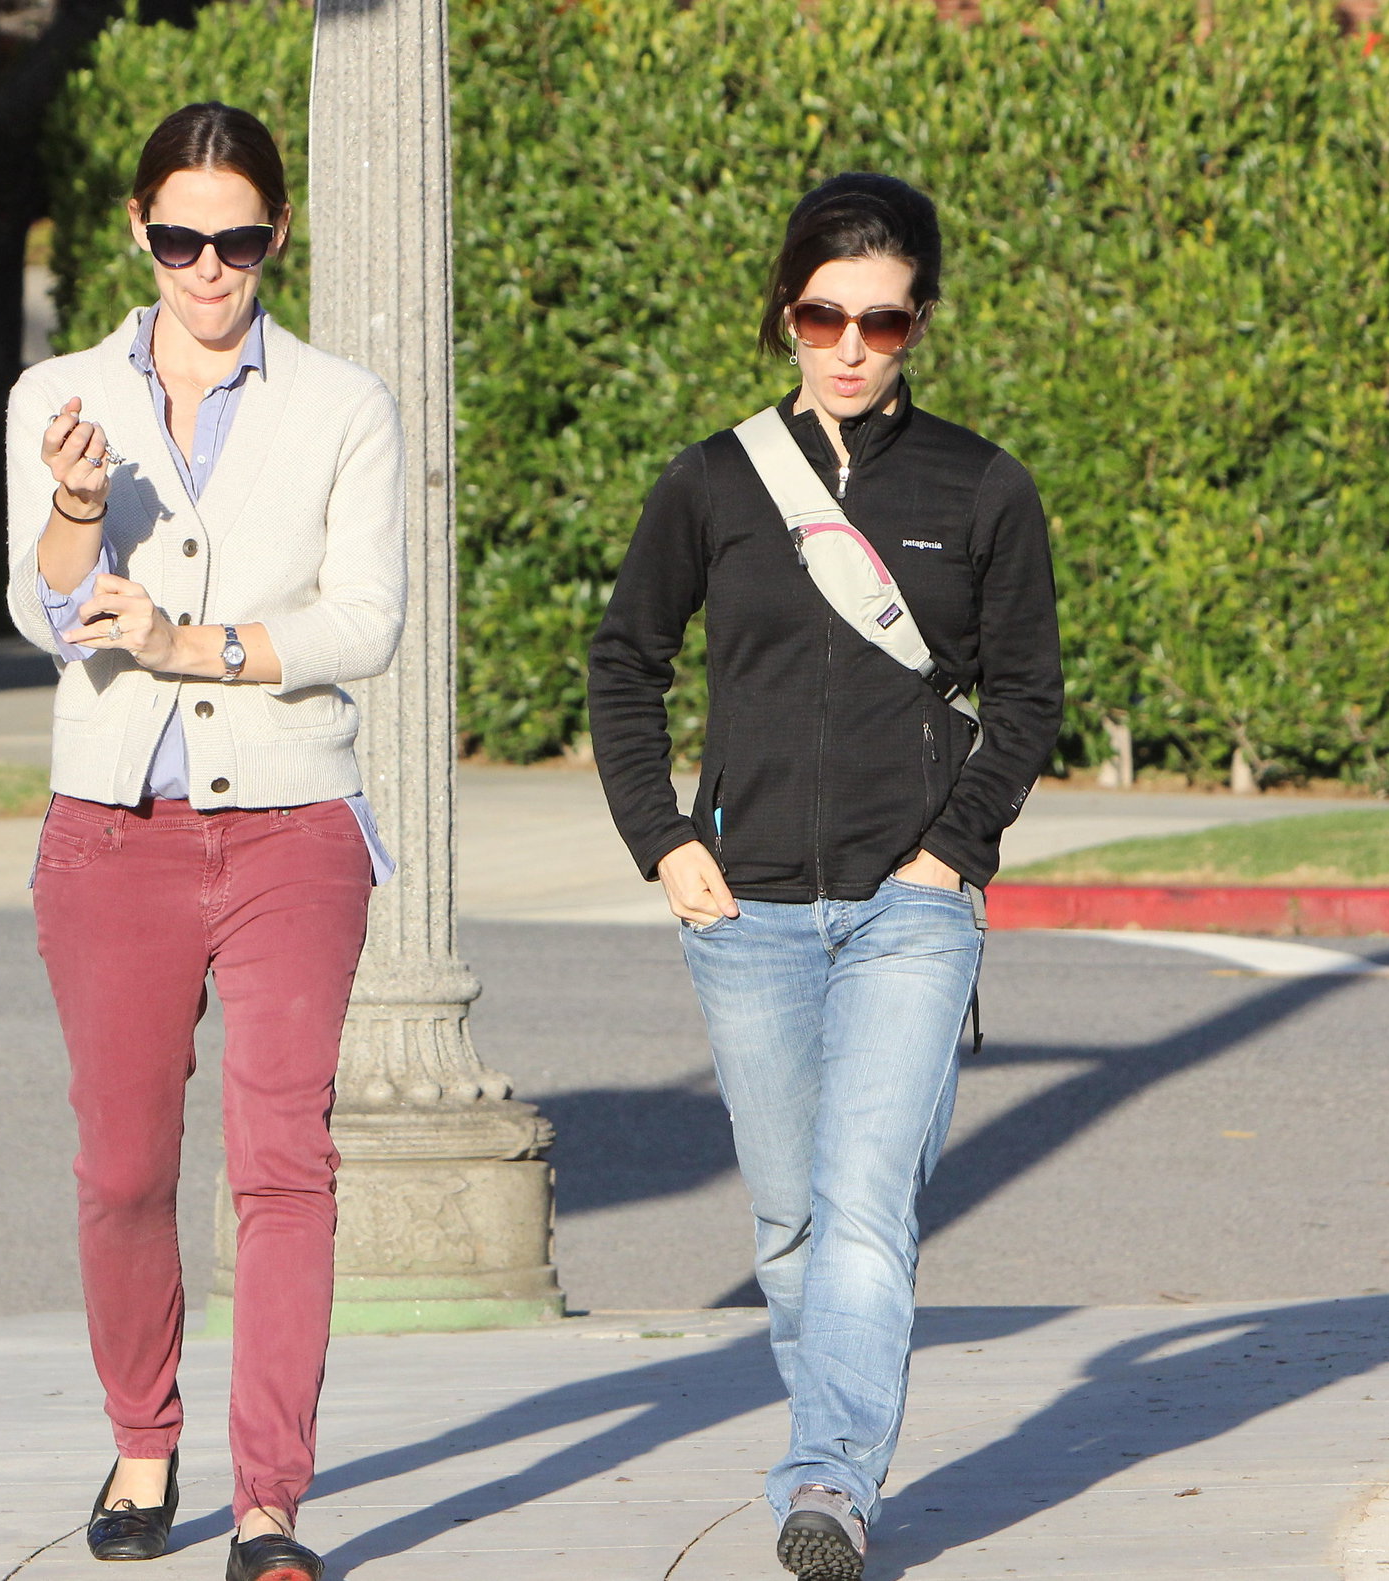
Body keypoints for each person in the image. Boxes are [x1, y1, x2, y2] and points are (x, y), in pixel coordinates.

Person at [587, 173, 1062, 1581]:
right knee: (792, 1219)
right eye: (822, 317)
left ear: (921, 323)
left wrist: (947, 854)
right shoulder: (712, 482)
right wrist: (664, 838)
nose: (851, 347)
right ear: (783, 314)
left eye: (883, 322)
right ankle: (830, 1451)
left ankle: (827, 1483)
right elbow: (624, 661)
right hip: (745, 911)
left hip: (910, 909)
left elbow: (1027, 697)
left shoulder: (981, 486)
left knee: (861, 1201)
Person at [4, 101, 405, 1580]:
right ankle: (142, 1436)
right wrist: (75, 505)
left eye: (235, 239)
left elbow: (365, 621)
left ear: (275, 236)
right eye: (180, 238)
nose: (208, 267)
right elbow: (40, 607)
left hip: (294, 821)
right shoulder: (58, 391)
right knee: (121, 1169)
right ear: (140, 231)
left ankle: (270, 1503)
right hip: (112, 829)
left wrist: (198, 645)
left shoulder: (342, 403)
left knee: (283, 1164)